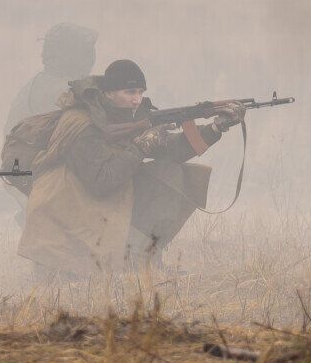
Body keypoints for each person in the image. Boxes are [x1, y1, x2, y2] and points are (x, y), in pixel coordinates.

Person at [17, 60, 244, 277]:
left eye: (141, 93)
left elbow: (172, 150)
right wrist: (141, 146)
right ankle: (121, 263)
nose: (137, 100)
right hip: (72, 211)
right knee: (76, 277)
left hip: (102, 206)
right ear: (108, 93)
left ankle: (142, 259)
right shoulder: (82, 124)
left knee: (170, 172)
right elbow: (101, 182)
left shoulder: (126, 116)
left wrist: (216, 128)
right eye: (130, 93)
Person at [4, 23, 98, 223]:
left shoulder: (40, 83)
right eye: (84, 52)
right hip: (40, 178)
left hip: (28, 173)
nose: (89, 58)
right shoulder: (61, 91)